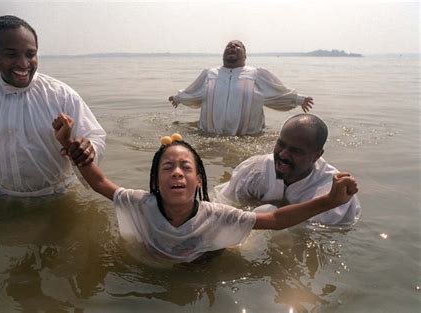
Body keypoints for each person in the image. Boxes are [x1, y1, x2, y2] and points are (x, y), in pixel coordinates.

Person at [52, 113, 358, 263]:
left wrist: (329, 201)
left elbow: (275, 221)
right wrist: (67, 142)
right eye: (167, 168)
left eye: (186, 168)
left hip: (201, 264)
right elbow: (99, 183)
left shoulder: (218, 216)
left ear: (199, 180)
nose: (177, 173)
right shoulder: (140, 202)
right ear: (155, 181)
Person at [0, 15, 106, 199]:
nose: (23, 64)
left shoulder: (61, 95)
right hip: (1, 199)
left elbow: (95, 136)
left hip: (57, 197)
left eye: (30, 54)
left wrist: (88, 147)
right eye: (11, 54)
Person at [214, 113, 361, 225]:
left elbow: (325, 233)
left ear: (317, 156)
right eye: (281, 144)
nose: (283, 155)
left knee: (266, 211)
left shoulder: (333, 190)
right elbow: (225, 203)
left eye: (295, 151)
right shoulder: (256, 169)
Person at [168, 40, 314, 136]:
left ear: (245, 55)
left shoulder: (256, 74)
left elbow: (278, 92)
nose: (232, 47)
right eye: (229, 46)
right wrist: (178, 98)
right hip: (209, 137)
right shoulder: (209, 74)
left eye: (238, 46)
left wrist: (299, 99)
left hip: (247, 137)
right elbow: (193, 92)